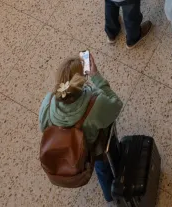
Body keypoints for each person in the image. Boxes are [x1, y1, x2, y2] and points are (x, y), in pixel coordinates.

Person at [39, 55, 122, 203]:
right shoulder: (95, 105)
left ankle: (109, 198)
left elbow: (43, 127)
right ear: (82, 81)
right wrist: (96, 77)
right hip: (93, 148)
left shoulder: (48, 102)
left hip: (67, 149)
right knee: (102, 167)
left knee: (99, 167)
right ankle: (110, 196)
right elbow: (116, 104)